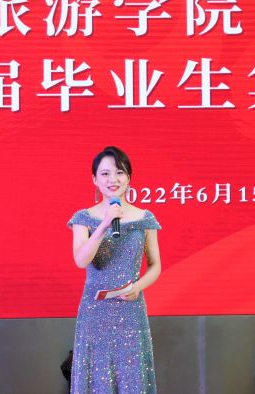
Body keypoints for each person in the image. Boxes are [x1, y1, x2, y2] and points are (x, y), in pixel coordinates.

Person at [68, 146, 162, 394]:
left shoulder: (144, 218)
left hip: (131, 310)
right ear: (94, 179)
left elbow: (155, 265)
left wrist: (137, 287)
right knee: (96, 374)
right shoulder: (83, 218)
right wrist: (104, 225)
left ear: (129, 177)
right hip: (95, 311)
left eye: (120, 172)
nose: (113, 179)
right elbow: (81, 260)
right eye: (105, 173)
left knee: (131, 376)